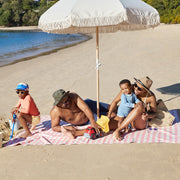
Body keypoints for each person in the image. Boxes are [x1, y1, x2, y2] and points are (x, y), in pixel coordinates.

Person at [50, 89, 118, 139]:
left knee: (114, 108)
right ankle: (74, 133)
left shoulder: (73, 96)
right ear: (58, 104)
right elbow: (54, 127)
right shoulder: (55, 111)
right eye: (63, 103)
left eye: (68, 100)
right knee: (111, 119)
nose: (67, 103)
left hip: (90, 106)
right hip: (87, 119)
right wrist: (65, 127)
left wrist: (93, 121)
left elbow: (85, 108)